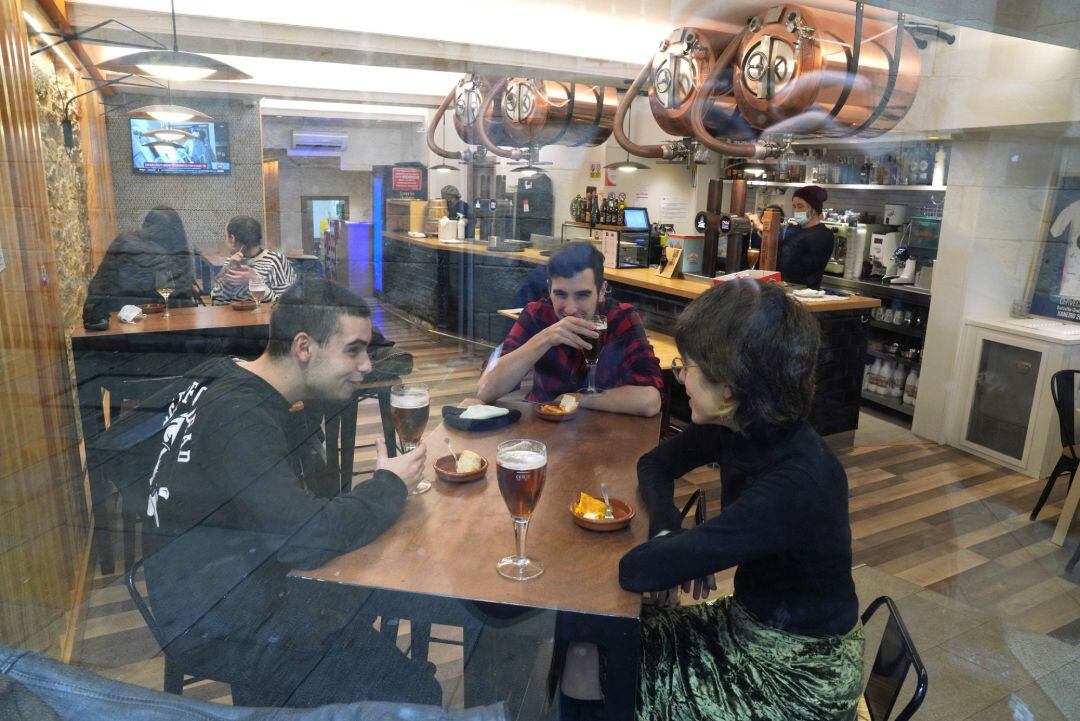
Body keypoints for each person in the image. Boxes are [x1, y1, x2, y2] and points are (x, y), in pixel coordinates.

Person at [101, 278, 439, 708]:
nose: (368, 365)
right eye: (353, 349)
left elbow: (116, 449)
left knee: (360, 599)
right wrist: (389, 485)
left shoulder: (220, 374)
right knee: (417, 695)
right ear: (304, 347)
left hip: (213, 585)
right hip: (221, 619)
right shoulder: (241, 417)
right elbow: (305, 539)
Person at [617, 280, 864, 721]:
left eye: (686, 365)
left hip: (797, 676)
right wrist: (667, 524)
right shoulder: (739, 425)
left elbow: (639, 569)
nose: (679, 375)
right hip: (746, 625)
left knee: (611, 673)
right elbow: (654, 464)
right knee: (609, 643)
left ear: (728, 386)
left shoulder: (798, 481)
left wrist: (684, 551)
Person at [477, 241, 662, 417]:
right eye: (560, 294)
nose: (570, 308)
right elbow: (486, 390)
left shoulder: (621, 318)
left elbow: (650, 401)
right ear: (549, 289)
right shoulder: (537, 314)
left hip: (605, 432)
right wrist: (544, 338)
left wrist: (576, 399)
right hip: (542, 426)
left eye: (582, 295)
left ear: (602, 291)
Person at [82, 206, 198, 327]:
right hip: (142, 321)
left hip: (123, 321)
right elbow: (182, 294)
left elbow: (98, 287)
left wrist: (94, 314)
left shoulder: (124, 242)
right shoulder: (129, 245)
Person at [211, 215, 297, 303]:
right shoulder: (232, 261)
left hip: (264, 316)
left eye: (226, 236)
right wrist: (227, 269)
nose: (225, 241)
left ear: (232, 239)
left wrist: (255, 281)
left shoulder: (276, 260)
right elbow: (217, 299)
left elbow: (286, 303)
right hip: (233, 316)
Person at [767, 185, 835, 288]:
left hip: (806, 294)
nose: (796, 211)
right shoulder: (796, 229)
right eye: (794, 206)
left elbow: (795, 245)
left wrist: (766, 229)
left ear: (814, 209)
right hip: (784, 290)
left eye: (800, 206)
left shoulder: (823, 235)